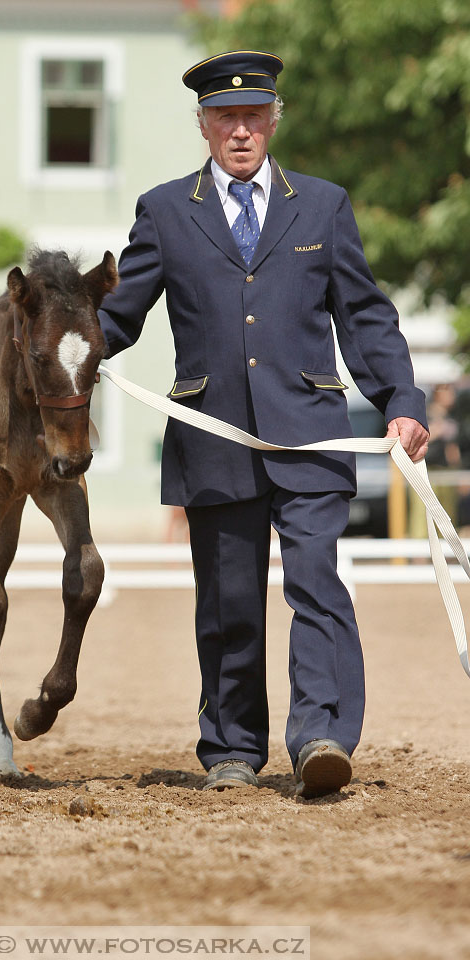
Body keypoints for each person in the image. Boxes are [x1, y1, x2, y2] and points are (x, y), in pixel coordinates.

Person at [98, 50, 429, 798]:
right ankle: (232, 750)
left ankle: (321, 737)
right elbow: (118, 316)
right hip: (213, 438)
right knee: (228, 603)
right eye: (226, 118)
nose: (240, 131)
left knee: (317, 584)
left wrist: (400, 398)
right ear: (204, 125)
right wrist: (59, 350)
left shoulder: (323, 205)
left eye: (254, 117)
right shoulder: (163, 210)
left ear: (274, 121)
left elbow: (366, 315)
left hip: (311, 431)